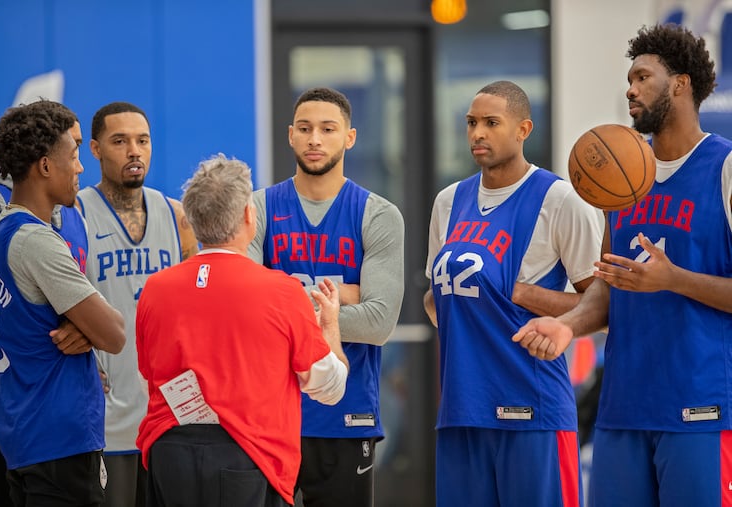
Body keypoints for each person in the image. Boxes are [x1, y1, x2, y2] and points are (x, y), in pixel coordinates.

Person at [513, 24, 732, 507]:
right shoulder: (621, 179)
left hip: (700, 408)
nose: (629, 90)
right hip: (621, 409)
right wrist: (568, 326)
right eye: (628, 80)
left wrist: (673, 278)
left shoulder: (724, 168)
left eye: (642, 77)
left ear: (681, 84)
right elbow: (609, 288)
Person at [423, 80, 602, 507]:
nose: (477, 133)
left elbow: (603, 305)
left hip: (532, 407)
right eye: (471, 123)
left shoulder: (560, 199)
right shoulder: (448, 201)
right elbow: (436, 301)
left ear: (524, 129)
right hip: (462, 409)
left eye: (491, 122)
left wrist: (516, 293)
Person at [136, 154, 350, 507]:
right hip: (250, 456)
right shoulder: (282, 291)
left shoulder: (155, 289)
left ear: (192, 220)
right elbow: (329, 387)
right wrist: (330, 327)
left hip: (167, 453)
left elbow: (149, 370)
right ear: (250, 216)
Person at [247, 87, 404, 507]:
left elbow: (379, 323)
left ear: (349, 137)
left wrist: (281, 295)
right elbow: (245, 313)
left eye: (328, 129)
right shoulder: (256, 208)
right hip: (269, 417)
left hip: (348, 416)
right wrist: (342, 301)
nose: (315, 139)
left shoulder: (379, 214)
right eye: (305, 128)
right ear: (290, 136)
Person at [0, 99, 125, 506]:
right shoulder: (37, 240)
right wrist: (91, 327)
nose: (80, 168)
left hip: (22, 435)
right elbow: (114, 334)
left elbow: (33, 317)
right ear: (45, 166)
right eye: (75, 155)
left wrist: (82, 325)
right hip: (60, 441)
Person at [76, 101, 198, 507]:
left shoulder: (177, 216)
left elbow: (199, 307)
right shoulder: (75, 215)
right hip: (106, 416)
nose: (134, 151)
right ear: (94, 149)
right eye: (120, 141)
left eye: (142, 140)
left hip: (167, 416)